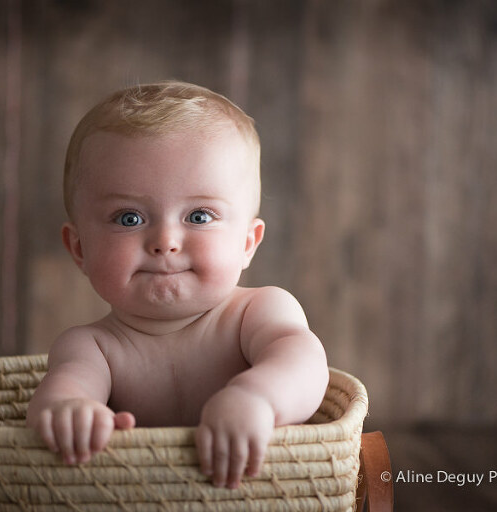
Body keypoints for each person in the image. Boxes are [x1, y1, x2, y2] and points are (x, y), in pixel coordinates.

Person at [26, 81, 329, 489]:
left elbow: (305, 365)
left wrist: (255, 397)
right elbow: (58, 393)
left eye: (199, 216)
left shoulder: (258, 313)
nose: (165, 241)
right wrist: (70, 410)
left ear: (247, 243)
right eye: (129, 218)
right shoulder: (92, 347)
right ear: (80, 249)